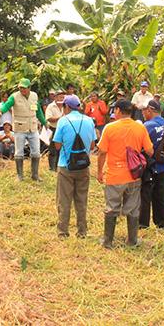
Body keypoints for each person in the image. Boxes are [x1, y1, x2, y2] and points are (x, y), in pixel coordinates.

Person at [96, 99, 154, 248]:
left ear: (118, 111)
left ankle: (108, 241)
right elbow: (150, 150)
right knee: (133, 208)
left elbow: (102, 152)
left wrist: (99, 172)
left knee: (111, 207)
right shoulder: (140, 128)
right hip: (134, 175)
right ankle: (132, 240)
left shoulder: (109, 128)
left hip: (114, 175)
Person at [52, 95, 96, 238]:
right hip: (83, 166)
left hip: (66, 166)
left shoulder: (63, 121)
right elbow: (92, 145)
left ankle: (63, 231)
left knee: (64, 200)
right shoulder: (89, 121)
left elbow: (57, 146)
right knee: (81, 200)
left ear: (67, 107)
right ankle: (82, 231)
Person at [0, 78, 47, 181]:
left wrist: (44, 122)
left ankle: (35, 175)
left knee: (36, 152)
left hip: (33, 128)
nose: (22, 90)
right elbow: (6, 106)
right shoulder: (14, 97)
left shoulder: (34, 96)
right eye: (20, 88)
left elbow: (38, 111)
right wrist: (0, 111)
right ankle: (19, 176)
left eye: (24, 88)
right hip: (20, 128)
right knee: (19, 152)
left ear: (29, 88)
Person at [139, 99, 164, 229]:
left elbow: (142, 146)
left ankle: (142, 224)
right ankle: (163, 223)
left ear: (150, 110)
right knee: (161, 195)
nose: (142, 113)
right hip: (163, 166)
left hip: (150, 166)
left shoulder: (148, 126)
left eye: (143, 110)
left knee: (145, 195)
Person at [45, 92, 66, 172]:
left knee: (61, 149)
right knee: (53, 149)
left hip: (63, 130)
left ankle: (59, 167)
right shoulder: (50, 106)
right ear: (56, 98)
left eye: (63, 97)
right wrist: (60, 118)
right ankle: (52, 168)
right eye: (60, 97)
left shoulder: (65, 106)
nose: (61, 99)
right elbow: (49, 118)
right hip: (53, 129)